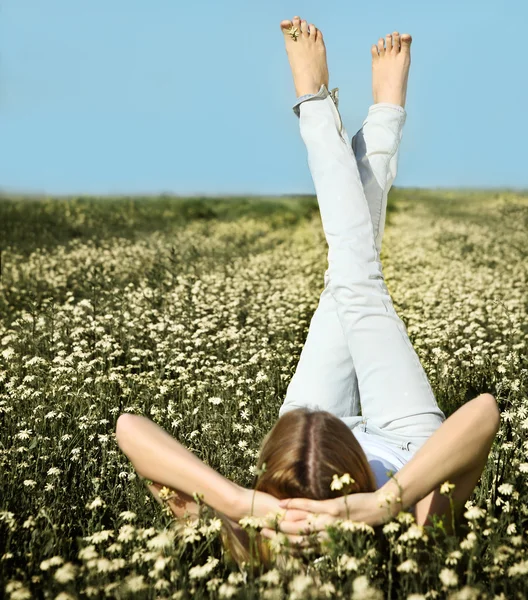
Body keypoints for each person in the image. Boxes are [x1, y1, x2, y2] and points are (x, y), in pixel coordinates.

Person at [116, 16, 501, 566]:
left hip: (299, 437)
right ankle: (325, 108)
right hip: (407, 445)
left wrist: (236, 500)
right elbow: (484, 411)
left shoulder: (248, 536)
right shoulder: (415, 532)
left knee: (347, 277)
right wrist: (382, 503)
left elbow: (128, 428)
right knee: (354, 278)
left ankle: (354, 114)